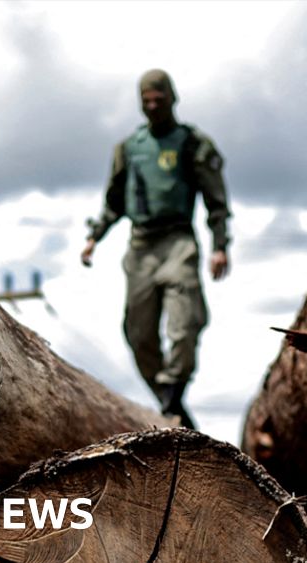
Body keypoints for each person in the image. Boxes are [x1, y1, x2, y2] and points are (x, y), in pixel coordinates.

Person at [81, 69, 231, 429]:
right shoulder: (130, 149)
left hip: (178, 240)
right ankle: (170, 403)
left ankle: (172, 392)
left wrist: (220, 246)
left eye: (158, 100)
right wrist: (93, 238)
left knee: (186, 322)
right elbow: (114, 201)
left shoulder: (193, 143)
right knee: (138, 332)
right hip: (140, 246)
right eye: (145, 101)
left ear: (172, 99)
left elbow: (216, 201)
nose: (152, 107)